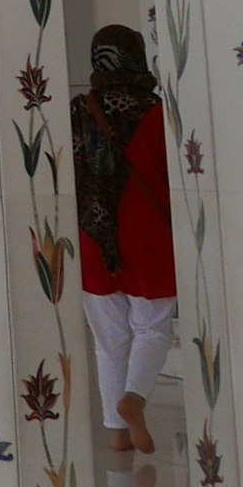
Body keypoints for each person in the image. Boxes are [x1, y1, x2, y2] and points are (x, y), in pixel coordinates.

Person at [75, 23, 177, 455]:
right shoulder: (159, 112)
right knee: (152, 327)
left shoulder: (79, 110)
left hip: (94, 235)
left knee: (108, 336)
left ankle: (116, 432)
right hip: (147, 232)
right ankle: (134, 398)